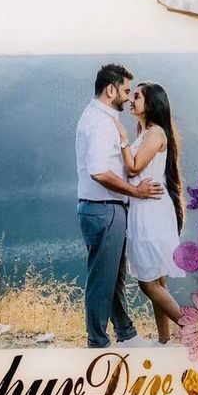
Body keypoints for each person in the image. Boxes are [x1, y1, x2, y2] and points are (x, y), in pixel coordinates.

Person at [75, 64, 164, 348]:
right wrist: (135, 191)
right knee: (103, 279)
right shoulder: (100, 122)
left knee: (111, 277)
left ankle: (126, 334)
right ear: (110, 89)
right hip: (105, 208)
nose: (127, 97)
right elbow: (99, 172)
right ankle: (98, 342)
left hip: (101, 208)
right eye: (126, 91)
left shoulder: (101, 117)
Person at [114, 82, 184, 344]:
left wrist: (121, 138)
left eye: (137, 97)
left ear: (151, 103)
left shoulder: (155, 134)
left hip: (150, 211)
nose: (132, 100)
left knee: (148, 284)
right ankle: (165, 341)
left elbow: (133, 169)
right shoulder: (146, 132)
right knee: (158, 281)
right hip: (146, 208)